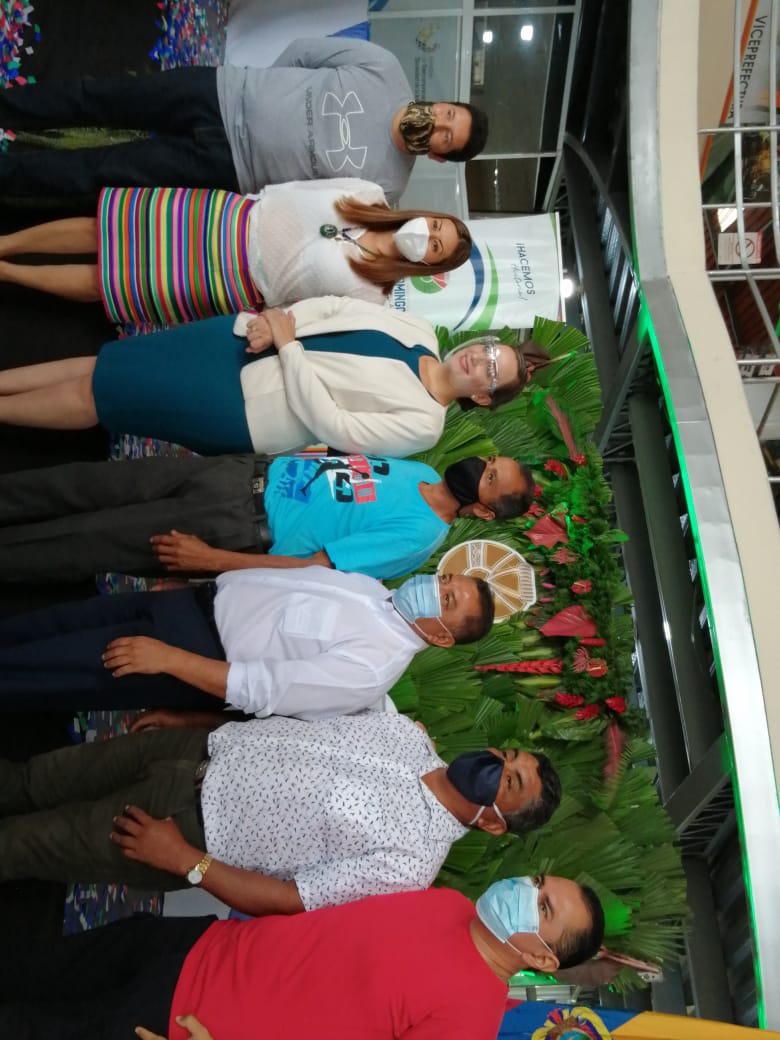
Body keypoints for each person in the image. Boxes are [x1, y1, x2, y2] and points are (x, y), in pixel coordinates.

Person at [0, 711, 562, 909]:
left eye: (509, 779)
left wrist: (185, 862)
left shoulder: (411, 864)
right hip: (191, 751)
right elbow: (293, 731)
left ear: (495, 822)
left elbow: (294, 899)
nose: (495, 761)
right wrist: (192, 723)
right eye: (507, 755)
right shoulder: (406, 734)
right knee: (32, 778)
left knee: (24, 843)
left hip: (181, 829)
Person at [0, 875, 604, 1039]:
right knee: (35, 965)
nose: (524, 890)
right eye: (538, 882)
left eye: (542, 907)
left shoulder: (468, 1021)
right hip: (193, 947)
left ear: (544, 961)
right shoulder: (448, 902)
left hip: (178, 1022)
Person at [0, 298, 550, 458]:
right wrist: (277, 324)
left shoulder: (425, 425)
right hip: (245, 338)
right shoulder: (420, 329)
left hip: (245, 405)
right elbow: (335, 306)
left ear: (483, 397)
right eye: (487, 349)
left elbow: (336, 427)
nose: (479, 360)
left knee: (107, 396)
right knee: (110, 361)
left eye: (491, 371)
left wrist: (288, 347)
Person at [0, 38, 489, 204]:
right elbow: (303, 52)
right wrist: (263, 95)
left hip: (224, 166)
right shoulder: (384, 68)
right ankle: (9, 107)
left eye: (448, 136)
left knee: (102, 171)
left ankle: (9, 176)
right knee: (101, 98)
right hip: (217, 93)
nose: (439, 125)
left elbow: (312, 201)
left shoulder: (388, 188)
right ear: (442, 103)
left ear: (440, 155)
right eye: (448, 114)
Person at [0, 566, 494, 713]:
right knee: (54, 624)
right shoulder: (375, 593)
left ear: (442, 638)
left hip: (189, 654)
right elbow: (281, 583)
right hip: (189, 605)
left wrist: (170, 658)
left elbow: (262, 688)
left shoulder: (373, 669)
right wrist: (205, 584)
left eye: (447, 600)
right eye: (446, 581)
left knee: (51, 666)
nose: (436, 588)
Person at [0, 451, 534, 583]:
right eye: (490, 462)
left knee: (88, 539)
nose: (480, 467)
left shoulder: (418, 537)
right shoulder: (421, 468)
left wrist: (212, 560)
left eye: (489, 478)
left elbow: (316, 568)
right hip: (237, 473)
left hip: (234, 526)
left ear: (484, 511)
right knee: (87, 482)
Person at [0, 179, 471, 323]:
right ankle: (7, 244)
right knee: (107, 227)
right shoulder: (369, 193)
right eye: (435, 225)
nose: (426, 234)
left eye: (435, 245)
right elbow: (302, 186)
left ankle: (9, 273)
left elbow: (301, 314)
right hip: (226, 217)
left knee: (110, 283)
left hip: (228, 282)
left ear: (430, 265)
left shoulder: (373, 297)